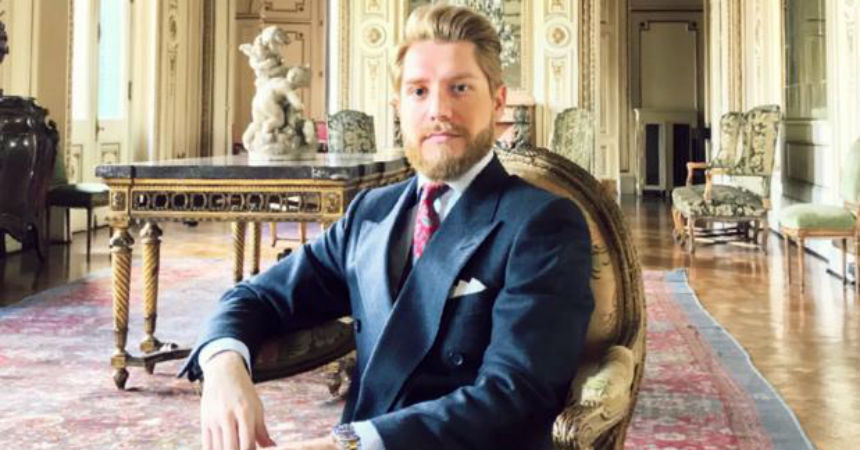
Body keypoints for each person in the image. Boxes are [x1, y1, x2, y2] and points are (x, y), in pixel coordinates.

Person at [179, 4, 594, 450]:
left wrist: (347, 445)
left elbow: (514, 396)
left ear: (496, 101)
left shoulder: (543, 222)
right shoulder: (371, 212)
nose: (438, 110)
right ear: (398, 107)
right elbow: (255, 297)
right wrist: (223, 365)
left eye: (459, 87)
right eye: (419, 91)